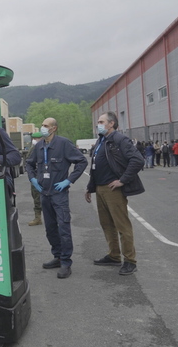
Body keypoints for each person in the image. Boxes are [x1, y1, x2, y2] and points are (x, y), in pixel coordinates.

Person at [26, 118, 87, 279]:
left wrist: (69, 180)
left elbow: (81, 161)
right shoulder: (39, 146)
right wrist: (32, 179)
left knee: (63, 227)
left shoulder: (64, 144)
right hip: (44, 193)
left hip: (59, 194)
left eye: (46, 126)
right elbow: (29, 164)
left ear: (54, 128)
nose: (43, 128)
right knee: (50, 228)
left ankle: (66, 262)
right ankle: (58, 256)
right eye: (42, 125)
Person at [85, 111, 144, 276]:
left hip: (114, 189)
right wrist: (91, 187)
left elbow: (137, 160)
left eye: (101, 121)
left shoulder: (120, 139)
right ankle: (114, 255)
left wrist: (123, 180)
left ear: (111, 123)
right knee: (107, 224)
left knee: (122, 226)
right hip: (100, 188)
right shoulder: (100, 141)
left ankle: (130, 261)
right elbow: (95, 167)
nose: (98, 124)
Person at [25, 132, 44, 226]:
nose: (34, 140)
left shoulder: (44, 147)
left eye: (36, 139)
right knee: (36, 197)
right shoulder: (33, 148)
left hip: (43, 175)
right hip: (35, 176)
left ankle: (52, 217)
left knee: (47, 198)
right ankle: (38, 218)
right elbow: (28, 162)